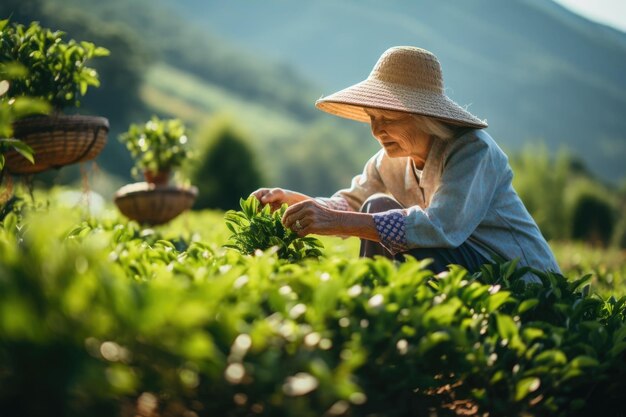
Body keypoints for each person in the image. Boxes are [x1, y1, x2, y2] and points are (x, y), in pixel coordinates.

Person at [252, 46, 561, 276]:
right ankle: (379, 311)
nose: (376, 130)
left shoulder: (472, 151)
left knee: (398, 226)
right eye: (373, 117)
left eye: (387, 117)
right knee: (375, 207)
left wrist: (335, 221)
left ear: (423, 117)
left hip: (518, 278)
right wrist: (296, 203)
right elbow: (350, 203)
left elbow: (439, 229)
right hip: (461, 269)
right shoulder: (390, 160)